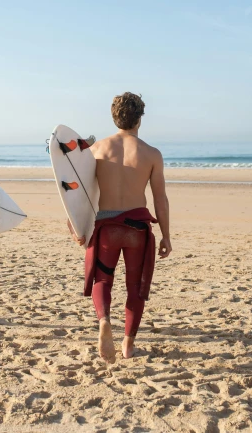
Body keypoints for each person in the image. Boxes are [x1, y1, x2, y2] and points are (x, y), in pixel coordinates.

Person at [68, 92, 172, 362]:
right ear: (140, 118)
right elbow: (160, 198)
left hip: (106, 228)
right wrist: (166, 236)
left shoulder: (96, 150)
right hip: (137, 227)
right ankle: (128, 344)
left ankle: (104, 321)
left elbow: (78, 193)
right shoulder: (151, 154)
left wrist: (74, 223)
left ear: (114, 117)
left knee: (103, 279)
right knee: (135, 286)